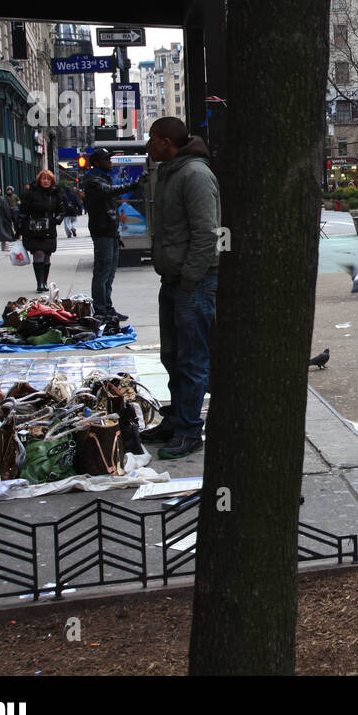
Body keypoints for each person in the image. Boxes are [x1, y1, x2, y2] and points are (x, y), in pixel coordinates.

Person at [144, 117, 221, 459]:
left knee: (191, 359)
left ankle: (190, 430)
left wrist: (191, 278)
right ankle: (177, 420)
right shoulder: (172, 171)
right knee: (172, 355)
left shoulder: (195, 175)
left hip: (194, 283)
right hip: (175, 281)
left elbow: (207, 233)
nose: (148, 145)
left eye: (152, 139)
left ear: (166, 142)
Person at [82, 148, 142, 321]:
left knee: (108, 272)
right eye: (106, 159)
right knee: (103, 271)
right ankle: (101, 310)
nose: (110, 162)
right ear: (96, 163)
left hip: (109, 231)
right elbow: (109, 191)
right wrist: (134, 184)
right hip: (102, 231)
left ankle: (106, 307)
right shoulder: (94, 180)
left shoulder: (100, 178)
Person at [17, 170, 62, 292]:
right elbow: (23, 211)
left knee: (47, 256)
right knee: (38, 254)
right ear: (39, 180)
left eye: (48, 179)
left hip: (49, 228)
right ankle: (40, 283)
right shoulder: (31, 194)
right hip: (34, 229)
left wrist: (56, 219)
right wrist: (19, 229)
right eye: (43, 178)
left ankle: (44, 281)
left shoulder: (55, 193)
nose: (46, 181)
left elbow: (61, 209)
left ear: (52, 181)